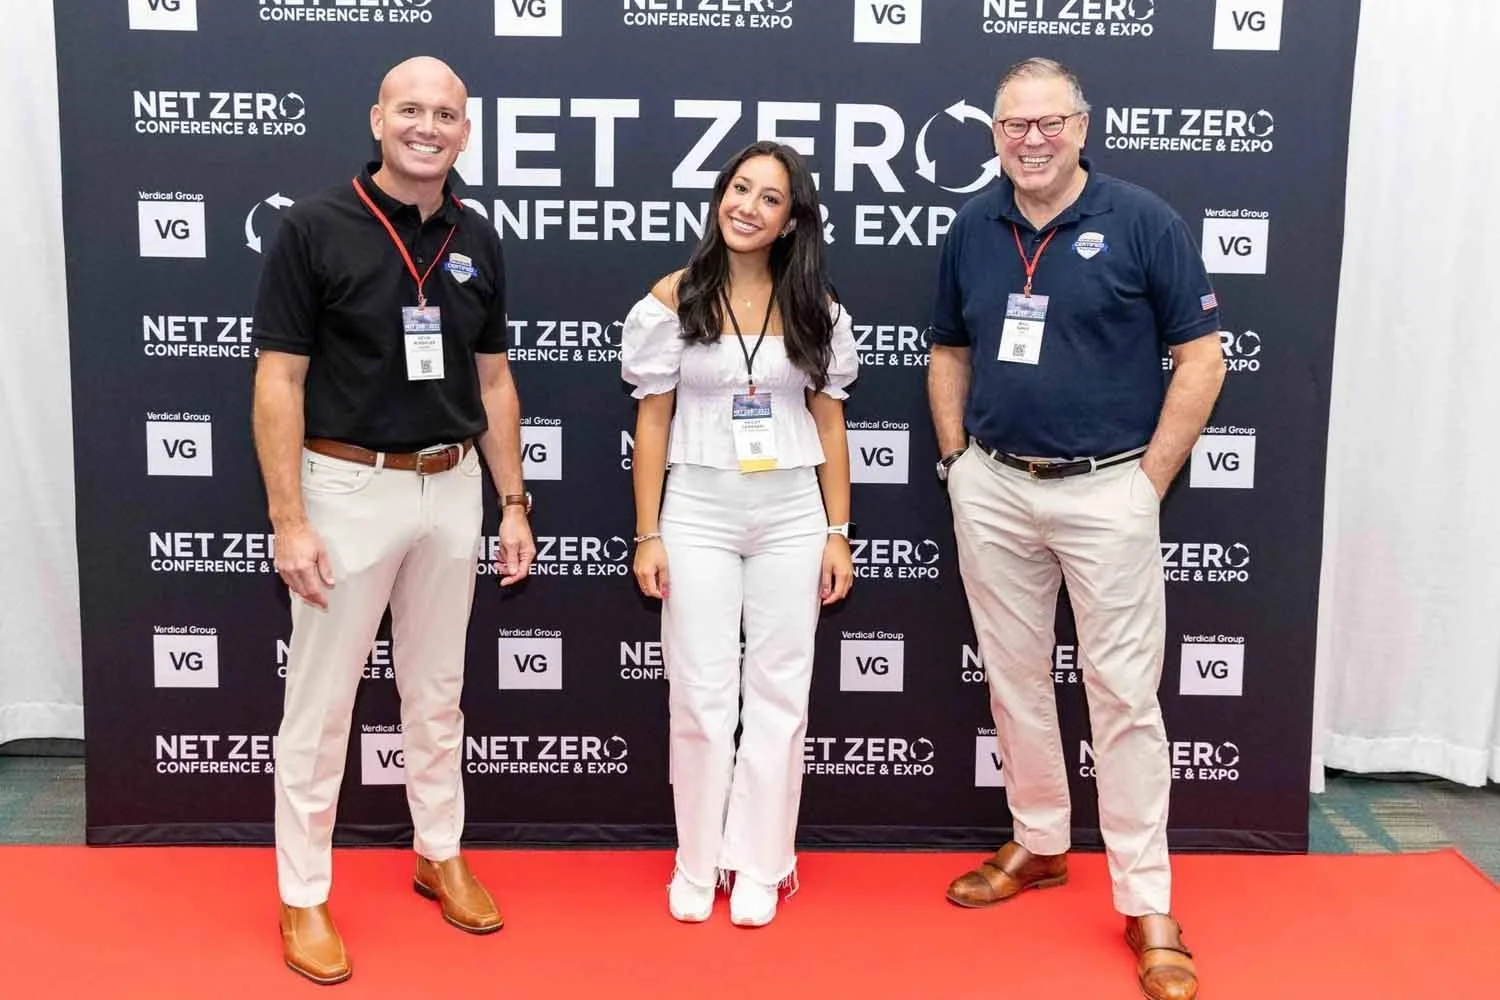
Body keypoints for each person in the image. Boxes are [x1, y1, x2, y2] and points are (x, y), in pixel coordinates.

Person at [926, 58, 1224, 1000]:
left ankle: (1147, 901)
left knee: (1124, 696)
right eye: (1015, 126)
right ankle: (1042, 840)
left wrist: (1148, 483)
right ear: (995, 135)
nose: (1032, 140)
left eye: (1050, 123)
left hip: (1109, 493)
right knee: (1015, 681)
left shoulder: (1143, 221)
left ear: (1083, 127)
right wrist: (955, 463)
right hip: (997, 487)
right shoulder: (974, 226)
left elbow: (1202, 357)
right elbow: (948, 349)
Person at [251, 56, 534, 986]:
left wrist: (514, 501)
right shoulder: (312, 227)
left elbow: (493, 380)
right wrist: (289, 519)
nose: (428, 126)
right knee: (322, 708)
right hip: (346, 488)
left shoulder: (479, 235)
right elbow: (279, 379)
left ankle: (438, 850)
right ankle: (303, 892)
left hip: (451, 487)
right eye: (410, 109)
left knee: (438, 690)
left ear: (465, 130)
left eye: (446, 114)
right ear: (377, 119)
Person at [621, 140, 858, 928]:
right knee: (698, 697)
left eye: (769, 198)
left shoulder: (816, 311)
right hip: (695, 512)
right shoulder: (671, 297)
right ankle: (697, 859)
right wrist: (647, 533)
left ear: (793, 222)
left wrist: (838, 531)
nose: (747, 207)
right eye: (738, 188)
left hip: (792, 512)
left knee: (781, 697)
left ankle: (761, 863)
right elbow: (652, 419)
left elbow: (830, 420)